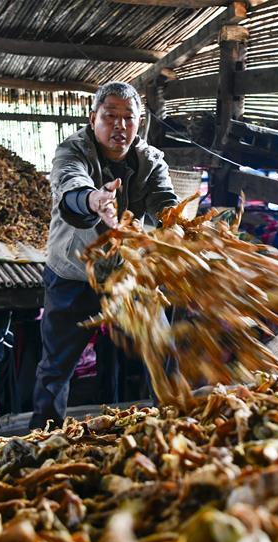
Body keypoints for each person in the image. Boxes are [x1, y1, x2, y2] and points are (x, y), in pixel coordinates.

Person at [31, 81, 178, 429]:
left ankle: (172, 428)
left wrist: (177, 224)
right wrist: (95, 200)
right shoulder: (73, 151)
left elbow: (165, 202)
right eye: (110, 116)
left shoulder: (151, 160)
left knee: (163, 351)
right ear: (93, 117)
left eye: (129, 118)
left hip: (129, 274)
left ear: (139, 122)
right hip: (74, 273)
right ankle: (41, 439)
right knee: (56, 368)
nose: (120, 125)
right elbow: (71, 186)